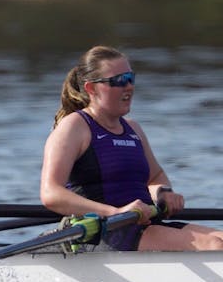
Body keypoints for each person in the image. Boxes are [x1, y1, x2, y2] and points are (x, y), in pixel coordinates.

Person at [40, 45, 223, 251]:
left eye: (130, 78)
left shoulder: (133, 128)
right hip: (104, 233)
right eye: (118, 81)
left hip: (144, 226)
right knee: (213, 246)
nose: (128, 87)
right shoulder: (74, 127)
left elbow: (155, 177)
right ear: (91, 88)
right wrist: (114, 212)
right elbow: (51, 194)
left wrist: (163, 193)